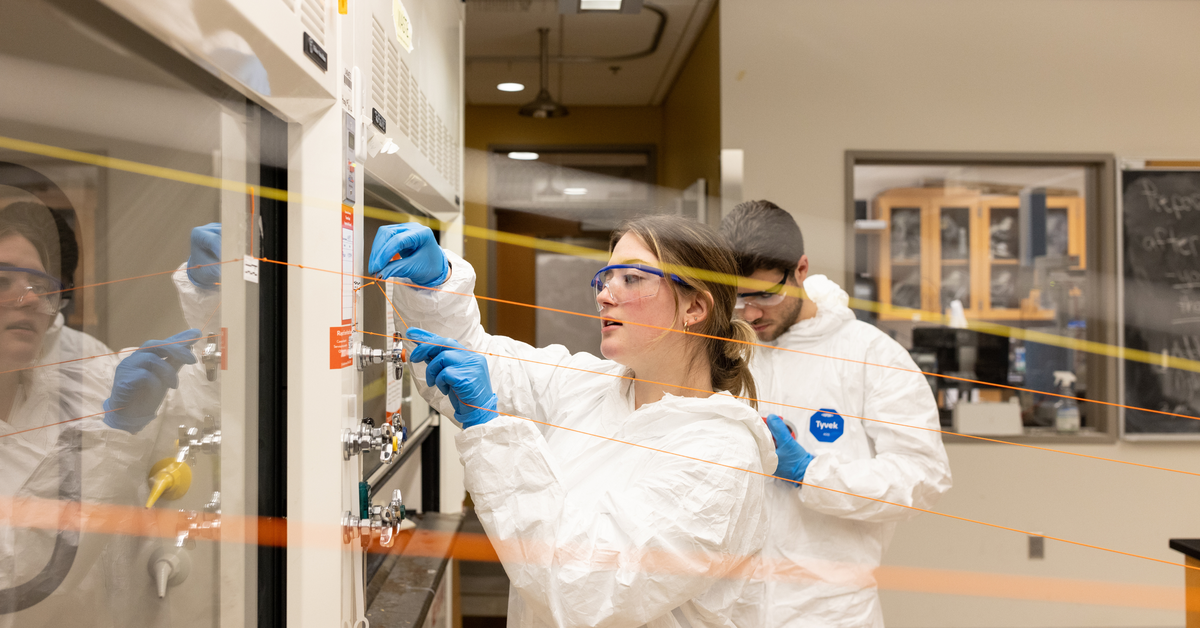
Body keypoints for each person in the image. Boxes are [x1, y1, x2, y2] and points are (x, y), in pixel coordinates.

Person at [371, 216, 776, 628]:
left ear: (694, 307)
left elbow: (584, 590)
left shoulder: (720, 458)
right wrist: (433, 286)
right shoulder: (589, 386)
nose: (604, 295)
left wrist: (489, 429)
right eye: (605, 278)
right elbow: (470, 359)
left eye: (632, 279)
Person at [721, 200, 952, 628]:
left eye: (765, 296)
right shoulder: (729, 353)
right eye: (737, 299)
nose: (750, 314)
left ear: (801, 270)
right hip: (729, 610)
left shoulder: (869, 355)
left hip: (829, 610)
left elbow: (924, 476)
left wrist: (812, 473)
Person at [0, 201, 203, 624]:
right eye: (3, 281)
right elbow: (16, 572)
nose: (29, 299)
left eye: (42, 287)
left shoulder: (80, 384)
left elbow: (204, 408)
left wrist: (212, 298)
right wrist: (113, 434)